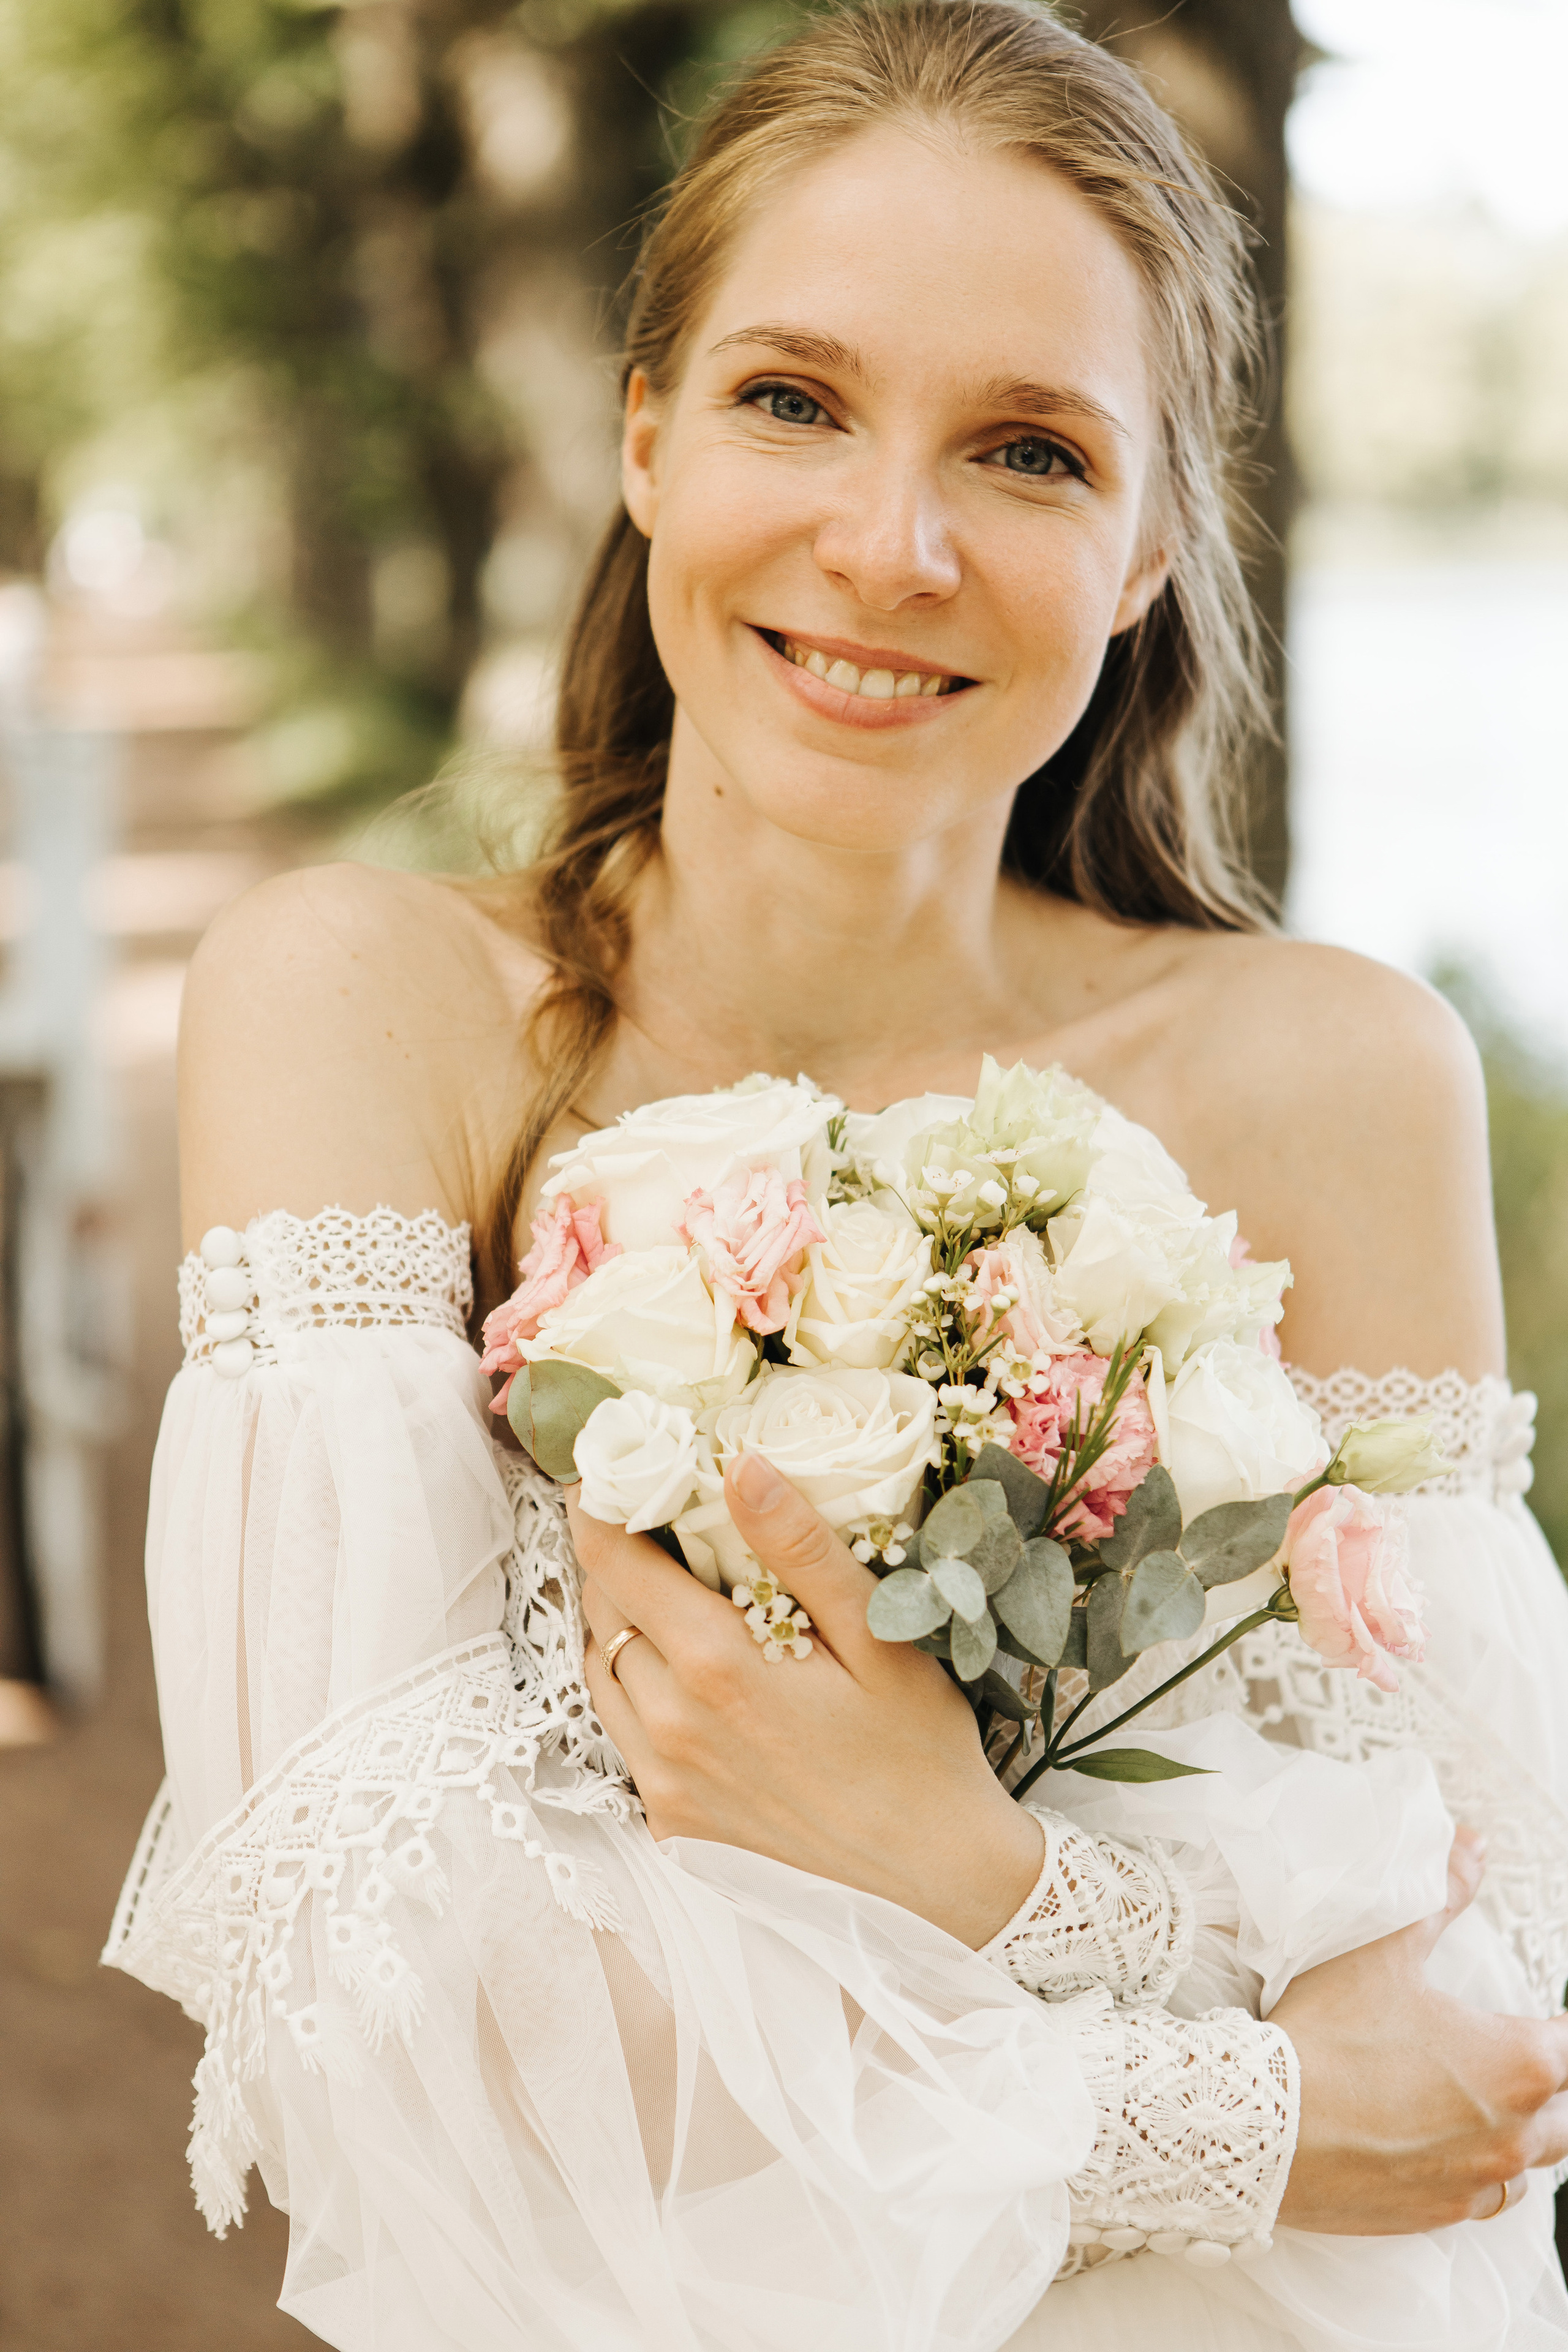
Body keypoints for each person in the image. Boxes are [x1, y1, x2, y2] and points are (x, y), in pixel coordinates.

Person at [106, 4, 1568, 2345]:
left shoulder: (1337, 1075)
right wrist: (1231, 2101)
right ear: (646, 441)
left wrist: (980, 1889)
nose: (890, 547)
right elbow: (403, 2015)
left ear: (1151, 543)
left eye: (1027, 450)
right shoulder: (368, 1010)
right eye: (794, 401)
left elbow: (1495, 1993)